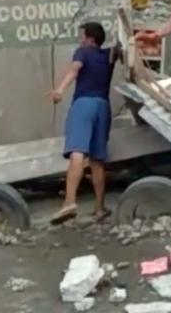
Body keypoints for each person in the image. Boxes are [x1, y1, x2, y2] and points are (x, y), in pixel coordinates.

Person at [48, 21, 116, 224]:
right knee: (97, 160)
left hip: (84, 104)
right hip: (103, 106)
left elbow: (74, 70)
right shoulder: (110, 55)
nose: (80, 39)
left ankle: (69, 202)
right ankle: (100, 208)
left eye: (83, 36)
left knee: (77, 151)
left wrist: (60, 89)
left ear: (90, 39)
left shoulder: (82, 52)